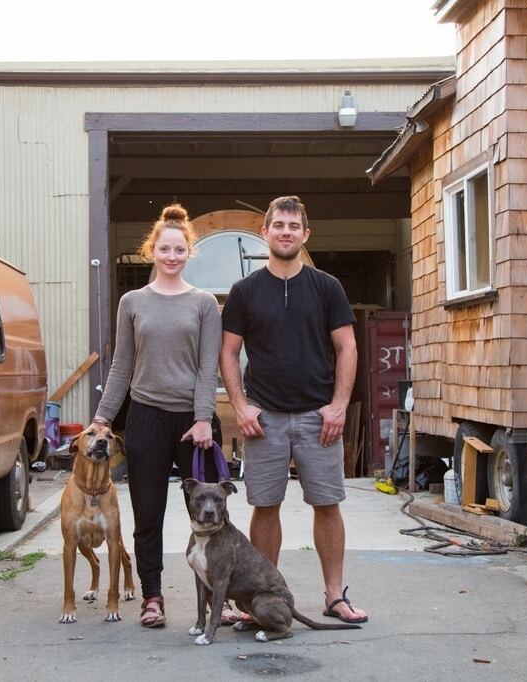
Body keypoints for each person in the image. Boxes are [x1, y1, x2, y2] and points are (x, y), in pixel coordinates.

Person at [219, 195, 368, 624]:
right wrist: (242, 406)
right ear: (265, 232)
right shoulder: (245, 292)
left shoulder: (327, 287)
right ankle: (264, 597)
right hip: (263, 420)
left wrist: (339, 406)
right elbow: (229, 353)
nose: (286, 232)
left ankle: (334, 596)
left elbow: (347, 347)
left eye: (293, 226)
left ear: (305, 234)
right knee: (265, 507)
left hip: (317, 418)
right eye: (278, 225)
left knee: (327, 503)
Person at [91, 204, 229, 628]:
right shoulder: (133, 303)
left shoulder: (204, 303)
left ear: (190, 252)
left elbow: (209, 366)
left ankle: (219, 598)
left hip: (194, 423)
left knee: (210, 515)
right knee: (147, 513)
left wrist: (205, 417)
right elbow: (121, 365)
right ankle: (153, 596)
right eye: (165, 249)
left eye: (180, 249)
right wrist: (101, 418)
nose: (172, 255)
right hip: (146, 419)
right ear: (152, 250)